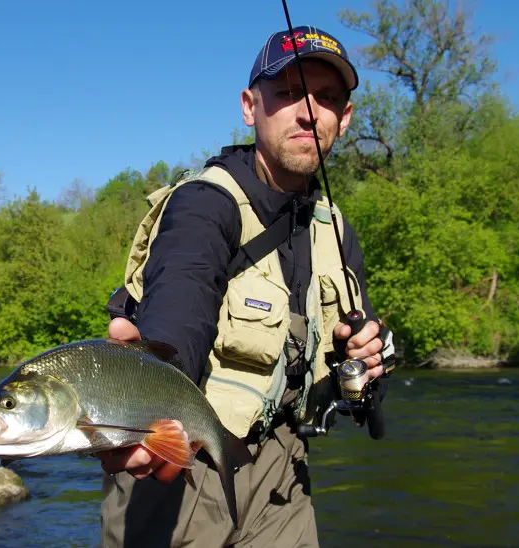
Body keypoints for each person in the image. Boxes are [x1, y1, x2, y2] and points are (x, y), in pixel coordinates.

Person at [97, 25, 394, 547]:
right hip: (183, 463)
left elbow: (356, 373)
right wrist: (150, 407)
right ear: (249, 106)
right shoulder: (204, 205)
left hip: (286, 475)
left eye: (327, 98)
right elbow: (178, 316)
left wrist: (371, 359)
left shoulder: (335, 228)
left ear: (343, 119)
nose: (308, 111)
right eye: (288, 92)